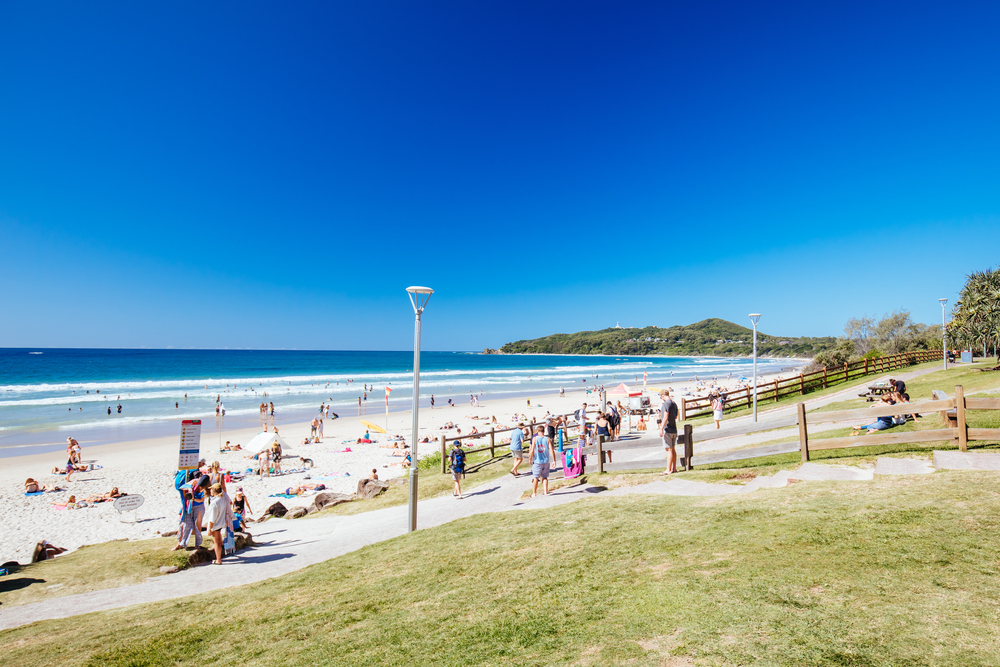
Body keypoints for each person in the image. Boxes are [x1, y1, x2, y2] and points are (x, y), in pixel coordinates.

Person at [206, 483, 230, 565]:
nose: (210, 491)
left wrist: (209, 528)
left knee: (216, 542)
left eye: (211, 489)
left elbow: (212, 518)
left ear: (214, 491)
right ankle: (220, 556)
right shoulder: (223, 497)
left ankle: (218, 559)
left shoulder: (214, 503)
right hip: (221, 522)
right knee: (219, 541)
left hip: (216, 524)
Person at [529, 425, 556, 497]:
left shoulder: (535, 438)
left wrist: (530, 458)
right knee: (545, 477)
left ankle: (534, 493)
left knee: (535, 477)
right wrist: (554, 460)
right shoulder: (547, 439)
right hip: (546, 461)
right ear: (544, 431)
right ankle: (545, 491)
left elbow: (532, 450)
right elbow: (551, 450)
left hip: (538, 461)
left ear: (537, 431)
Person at [658, 389, 679, 475]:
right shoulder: (674, 403)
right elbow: (676, 417)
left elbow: (665, 417)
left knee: (669, 450)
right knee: (673, 449)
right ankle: (674, 468)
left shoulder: (666, 404)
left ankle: (668, 469)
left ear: (663, 395)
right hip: (674, 428)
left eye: (661, 397)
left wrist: (661, 428)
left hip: (668, 429)